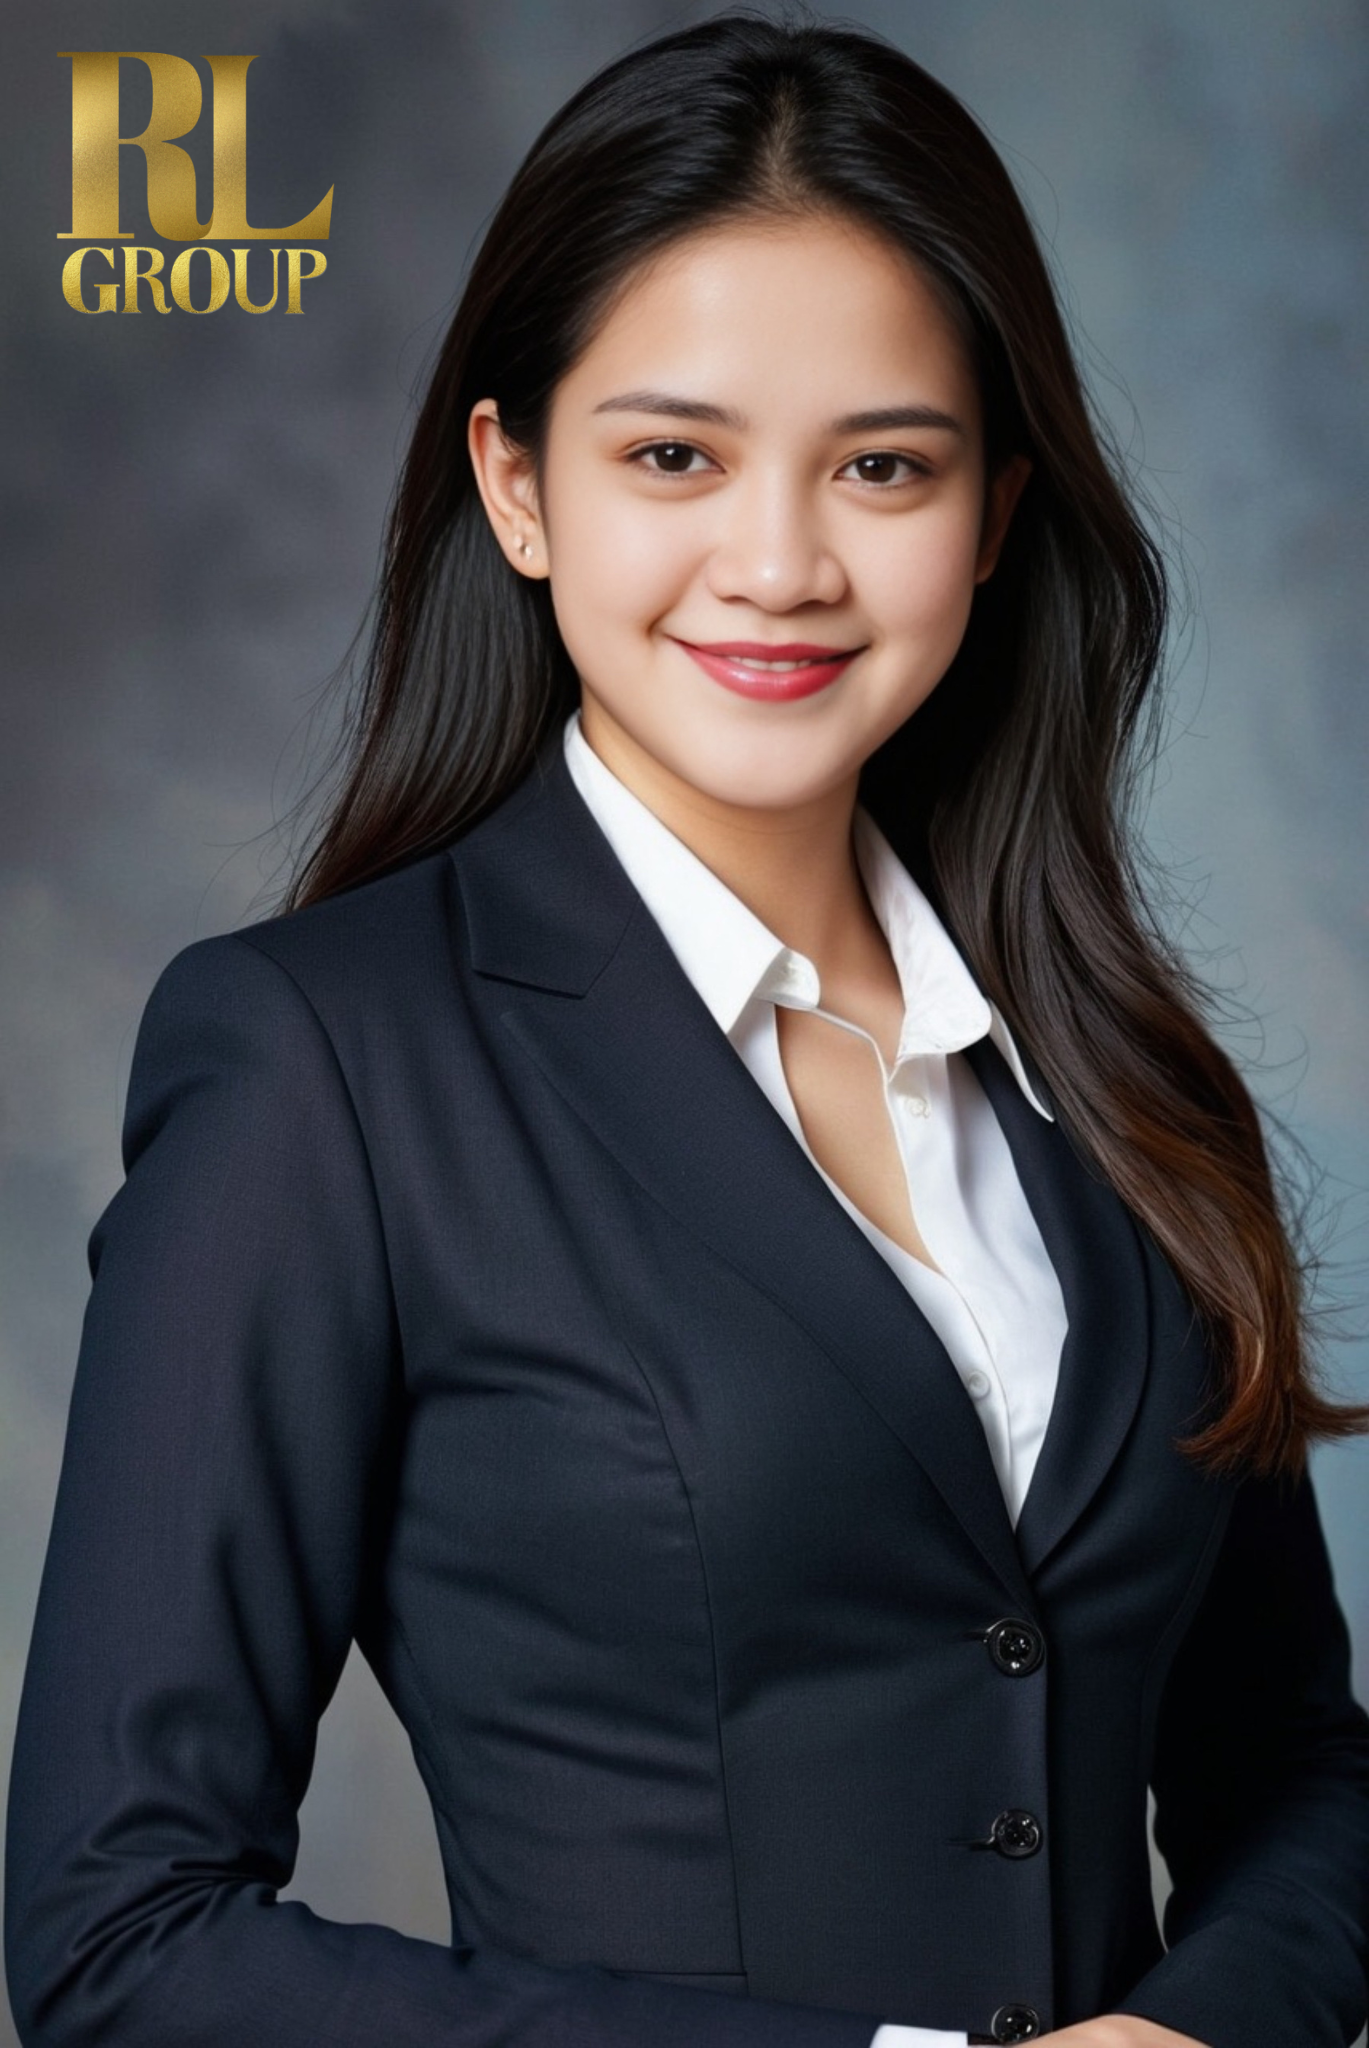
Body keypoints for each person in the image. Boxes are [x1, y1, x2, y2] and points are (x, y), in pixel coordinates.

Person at [5, 12, 1368, 2047]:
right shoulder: (322, 1067)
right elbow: (120, 1939)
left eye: (884, 466)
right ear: (517, 485)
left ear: (996, 512)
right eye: (674, 457)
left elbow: (1304, 1776)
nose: (782, 565)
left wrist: (1189, 2034)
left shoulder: (1127, 1079)